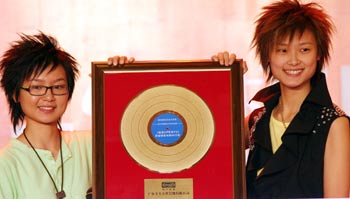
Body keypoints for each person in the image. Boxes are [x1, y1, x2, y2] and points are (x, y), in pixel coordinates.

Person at [212, 0, 350, 198]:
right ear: (268, 55)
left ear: (318, 53)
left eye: (304, 49)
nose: (293, 60)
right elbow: (209, 144)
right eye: (282, 50)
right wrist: (223, 80)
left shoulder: (334, 123)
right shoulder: (257, 119)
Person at [0, 32, 92, 199]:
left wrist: (117, 77)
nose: (49, 97)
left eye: (58, 87)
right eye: (37, 87)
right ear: (15, 94)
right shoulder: (5, 165)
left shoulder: (90, 145)